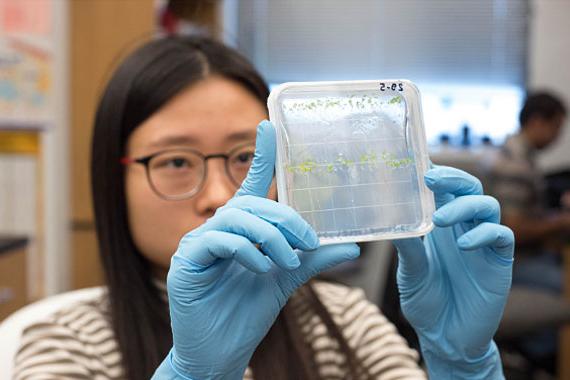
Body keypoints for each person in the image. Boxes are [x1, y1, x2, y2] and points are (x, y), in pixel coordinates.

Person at [13, 36, 514, 380]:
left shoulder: (342, 323)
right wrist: (195, 374)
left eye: (246, 157)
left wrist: (461, 363)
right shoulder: (66, 342)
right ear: (112, 179)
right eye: (174, 162)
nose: (217, 197)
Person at [490, 92, 569, 293]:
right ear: (537, 122)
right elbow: (513, 229)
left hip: (523, 256)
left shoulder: (519, 154)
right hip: (513, 263)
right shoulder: (515, 164)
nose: (558, 136)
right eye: (556, 127)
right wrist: (561, 221)